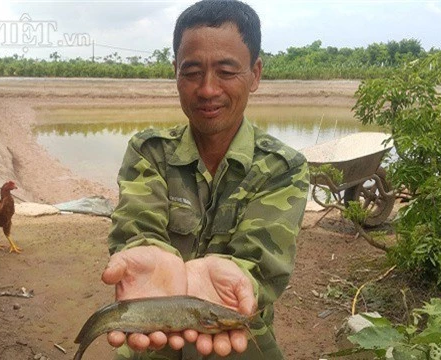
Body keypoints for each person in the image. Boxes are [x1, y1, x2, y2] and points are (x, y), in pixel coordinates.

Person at [102, 0, 309, 359]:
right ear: (176, 73)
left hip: (236, 336)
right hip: (154, 337)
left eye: (227, 71)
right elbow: (138, 230)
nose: (208, 89)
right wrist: (145, 254)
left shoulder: (283, 166)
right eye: (192, 71)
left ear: (255, 74)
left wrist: (235, 277)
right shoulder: (149, 151)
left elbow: (260, 264)